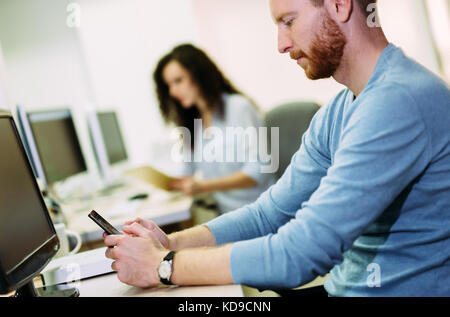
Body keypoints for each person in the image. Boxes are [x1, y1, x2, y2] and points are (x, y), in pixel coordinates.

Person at [103, 0, 450, 296]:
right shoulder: (340, 110)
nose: (281, 44)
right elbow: (268, 214)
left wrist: (164, 267)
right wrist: (171, 244)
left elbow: (299, 254)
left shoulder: (398, 101)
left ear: (340, 4)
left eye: (289, 21)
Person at [153, 43, 275, 214]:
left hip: (260, 212)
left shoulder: (239, 107)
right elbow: (187, 169)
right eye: (168, 86)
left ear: (199, 75)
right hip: (228, 215)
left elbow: (258, 171)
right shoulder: (193, 122)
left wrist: (203, 186)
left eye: (178, 81)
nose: (173, 92)